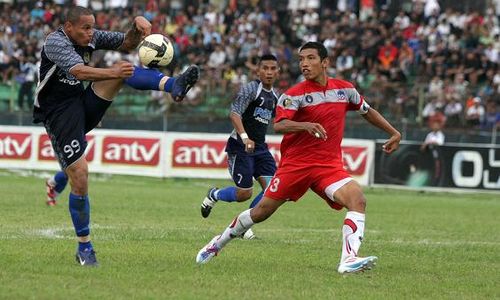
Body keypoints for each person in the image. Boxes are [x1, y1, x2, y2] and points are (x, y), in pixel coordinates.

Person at [196, 42, 401, 274]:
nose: (304, 63)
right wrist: (305, 125)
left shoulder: (345, 90)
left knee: (358, 200)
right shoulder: (293, 95)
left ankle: (348, 259)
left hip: (328, 166)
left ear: (325, 62)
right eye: (301, 59)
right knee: (260, 212)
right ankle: (218, 243)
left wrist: (393, 132)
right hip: (295, 167)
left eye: (311, 58)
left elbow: (367, 111)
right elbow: (279, 124)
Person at [35, 6, 200, 266]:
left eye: (92, 27)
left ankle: (174, 85)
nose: (91, 33)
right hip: (58, 114)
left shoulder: (90, 37)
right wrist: (115, 72)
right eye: (85, 28)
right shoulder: (55, 42)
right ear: (69, 28)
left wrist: (136, 27)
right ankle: (84, 247)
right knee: (80, 177)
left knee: (120, 68)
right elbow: (79, 71)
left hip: (81, 103)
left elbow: (126, 43)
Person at [200, 54, 280, 239]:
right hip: (240, 146)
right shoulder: (251, 89)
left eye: (272, 69)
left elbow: (277, 122)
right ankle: (214, 194)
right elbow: (234, 114)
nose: (269, 72)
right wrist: (245, 138)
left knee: (273, 189)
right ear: (258, 71)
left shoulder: (276, 96)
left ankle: (244, 225)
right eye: (265, 68)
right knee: (245, 193)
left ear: (277, 72)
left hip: (260, 148)